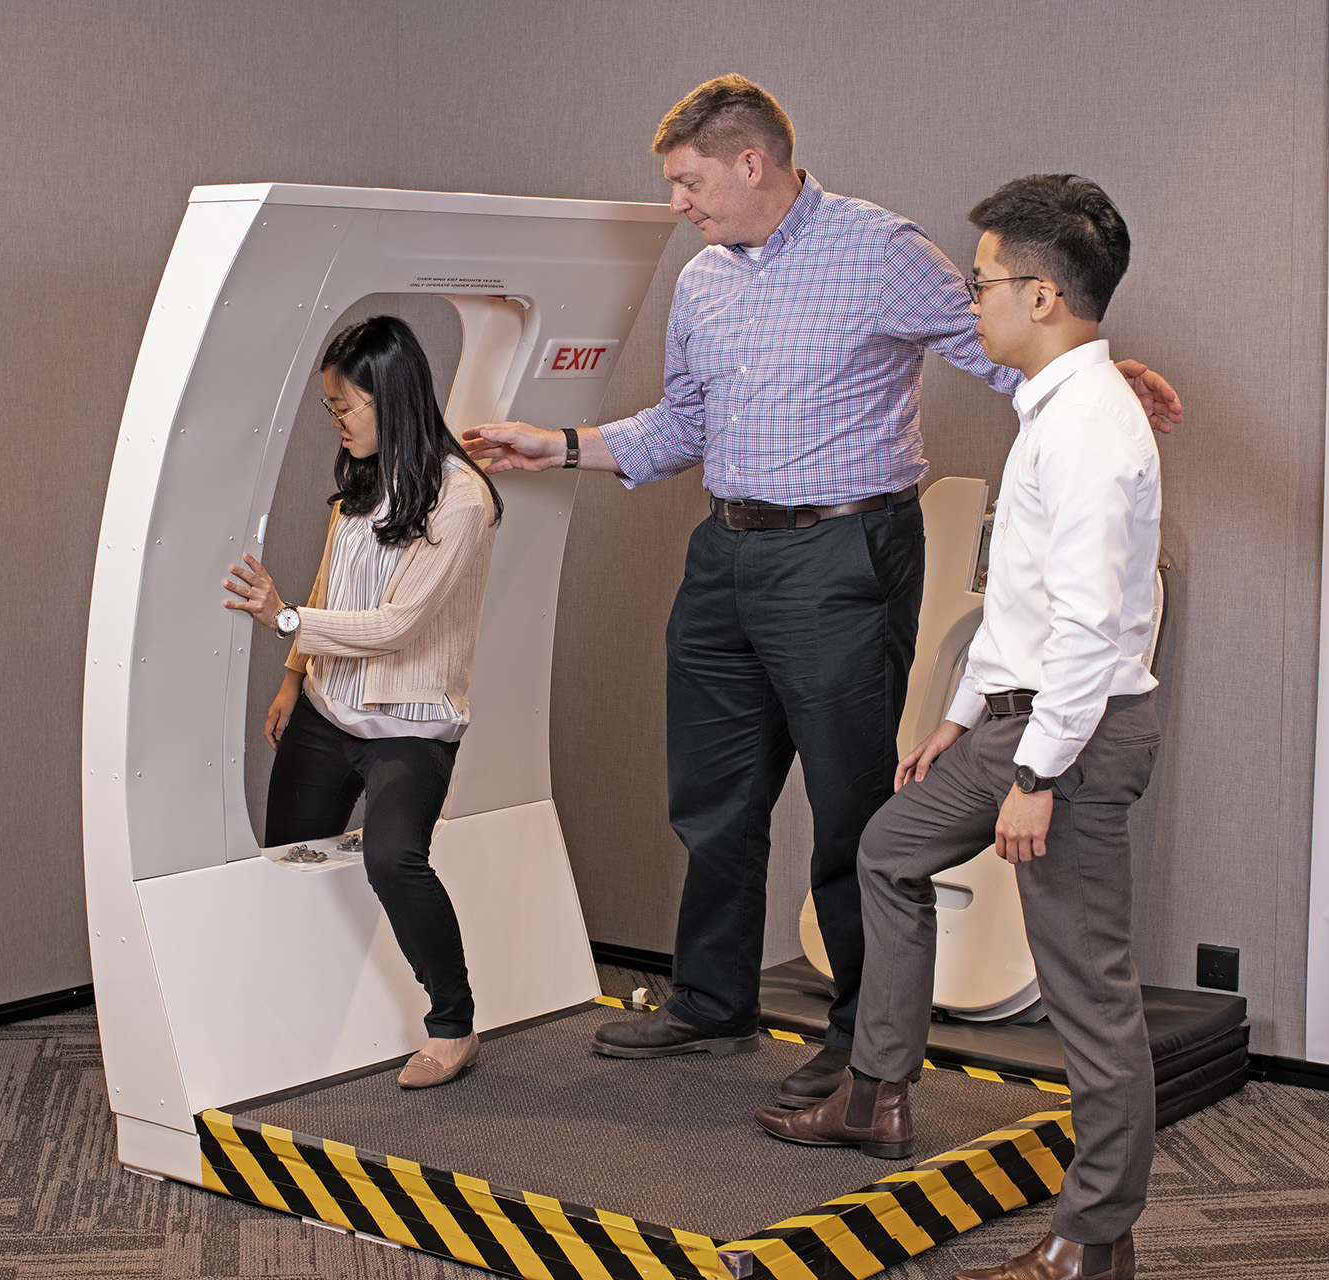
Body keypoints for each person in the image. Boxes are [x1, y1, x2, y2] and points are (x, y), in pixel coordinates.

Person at [463, 75, 1181, 1109]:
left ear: (751, 163)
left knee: (853, 808)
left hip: (843, 554)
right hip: (726, 552)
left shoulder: (881, 250)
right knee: (712, 796)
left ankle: (859, 1044)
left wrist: (1104, 382)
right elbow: (682, 423)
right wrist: (561, 445)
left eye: (688, 181)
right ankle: (712, 1000)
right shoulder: (702, 281)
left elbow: (1008, 348)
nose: (677, 202)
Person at [753, 175, 1163, 1280]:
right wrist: (961, 716)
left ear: (1041, 295)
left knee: (1089, 992)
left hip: (1074, 737)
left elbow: (1089, 629)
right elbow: (1018, 599)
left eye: (980, 284)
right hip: (1017, 722)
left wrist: (1036, 775)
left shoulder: (1092, 432)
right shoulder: (1050, 412)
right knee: (889, 849)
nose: (966, 304)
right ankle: (876, 1095)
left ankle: (1095, 1239)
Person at [222, 315, 503, 1090]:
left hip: (410, 726)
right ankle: (289, 1016)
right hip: (325, 709)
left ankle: (454, 1025)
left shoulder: (462, 500)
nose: (336, 422)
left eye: (344, 406)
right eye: (331, 408)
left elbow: (394, 626)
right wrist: (292, 678)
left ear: (392, 398)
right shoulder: (362, 475)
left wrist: (284, 619)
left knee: (392, 858)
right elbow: (329, 583)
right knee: (289, 859)